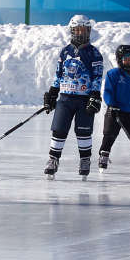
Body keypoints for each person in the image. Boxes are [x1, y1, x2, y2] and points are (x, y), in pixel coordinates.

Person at [41, 14, 104, 177]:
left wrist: (95, 95)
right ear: (72, 31)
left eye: (84, 29)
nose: (81, 33)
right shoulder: (65, 51)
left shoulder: (94, 53)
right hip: (66, 98)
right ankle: (53, 159)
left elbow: (97, 77)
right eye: (78, 29)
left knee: (83, 131)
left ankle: (85, 159)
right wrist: (52, 93)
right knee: (59, 129)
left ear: (89, 31)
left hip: (84, 99)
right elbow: (58, 74)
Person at [97, 44, 130, 171]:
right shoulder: (113, 74)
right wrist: (112, 106)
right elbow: (108, 92)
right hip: (114, 111)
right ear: (120, 59)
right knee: (109, 135)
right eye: (126, 58)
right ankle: (103, 155)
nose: (129, 61)